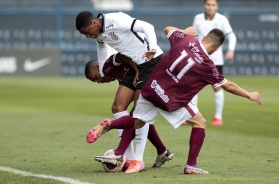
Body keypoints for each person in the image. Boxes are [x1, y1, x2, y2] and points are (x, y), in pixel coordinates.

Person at [85, 27, 262, 174]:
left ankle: (111, 123)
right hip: (171, 99)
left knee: (137, 121)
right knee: (199, 122)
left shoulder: (186, 40)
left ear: (205, 36)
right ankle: (191, 165)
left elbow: (167, 29)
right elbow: (227, 85)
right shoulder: (208, 66)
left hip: (152, 87)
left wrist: (184, 31)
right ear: (216, 49)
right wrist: (249, 94)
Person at [76, 11, 197, 172]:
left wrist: (153, 48)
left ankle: (138, 160)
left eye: (86, 32)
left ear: (93, 24)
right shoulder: (98, 33)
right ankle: (126, 157)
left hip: (150, 61)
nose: (87, 36)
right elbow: (101, 46)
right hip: (136, 65)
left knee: (139, 112)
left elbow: (148, 26)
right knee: (118, 107)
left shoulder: (116, 19)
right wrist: (103, 70)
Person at [85, 53, 173, 173]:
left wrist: (136, 69)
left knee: (138, 112)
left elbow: (120, 56)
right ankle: (153, 152)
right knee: (131, 113)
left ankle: (133, 157)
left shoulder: (107, 67)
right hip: (145, 72)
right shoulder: (116, 75)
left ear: (97, 67)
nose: (98, 81)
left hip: (150, 69)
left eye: (95, 77)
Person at [192, 0, 237, 126]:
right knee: (193, 87)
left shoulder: (222, 19)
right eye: (208, 4)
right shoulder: (198, 18)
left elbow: (232, 36)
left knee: (217, 87)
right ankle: (191, 114)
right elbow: (194, 36)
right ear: (204, 5)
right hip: (199, 57)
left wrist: (230, 50)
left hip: (216, 60)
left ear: (216, 7)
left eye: (213, 5)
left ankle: (218, 117)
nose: (210, 7)